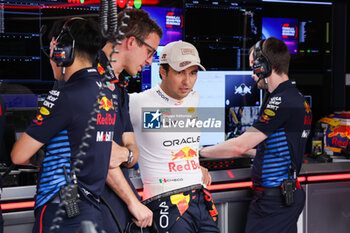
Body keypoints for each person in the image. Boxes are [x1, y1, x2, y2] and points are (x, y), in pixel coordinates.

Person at [11, 17, 128, 233]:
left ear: (62, 50)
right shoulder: (108, 94)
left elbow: (18, 156)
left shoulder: (64, 96)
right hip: (92, 210)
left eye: (52, 49)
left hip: (60, 211)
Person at [200, 37, 312, 233]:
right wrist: (247, 153)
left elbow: (239, 145)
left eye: (254, 66)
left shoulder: (281, 102)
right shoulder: (295, 97)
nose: (252, 74)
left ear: (265, 66)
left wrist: (200, 152)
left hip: (273, 201)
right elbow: (277, 151)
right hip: (282, 196)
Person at [129, 40, 219, 233]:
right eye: (180, 72)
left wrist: (195, 164)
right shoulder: (138, 103)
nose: (187, 81)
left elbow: (181, 143)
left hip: (200, 198)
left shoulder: (194, 98)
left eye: (193, 73)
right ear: (163, 71)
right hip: (165, 202)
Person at [98, 8, 162, 232]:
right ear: (131, 41)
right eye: (150, 52)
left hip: (115, 202)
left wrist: (125, 153)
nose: (150, 62)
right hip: (88, 204)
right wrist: (133, 202)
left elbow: (131, 151)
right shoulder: (88, 80)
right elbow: (100, 156)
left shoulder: (119, 87)